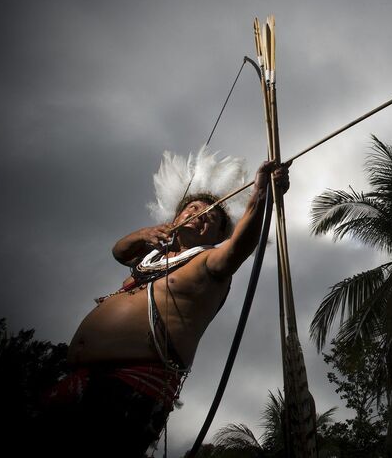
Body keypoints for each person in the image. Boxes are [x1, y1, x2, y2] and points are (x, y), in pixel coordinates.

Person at [35, 157, 290, 458]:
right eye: (191, 209)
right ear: (175, 218)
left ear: (219, 235)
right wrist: (145, 234)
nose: (200, 214)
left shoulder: (208, 263)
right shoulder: (151, 259)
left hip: (128, 389)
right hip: (78, 377)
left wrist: (262, 195)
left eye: (210, 216)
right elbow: (120, 251)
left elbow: (240, 247)